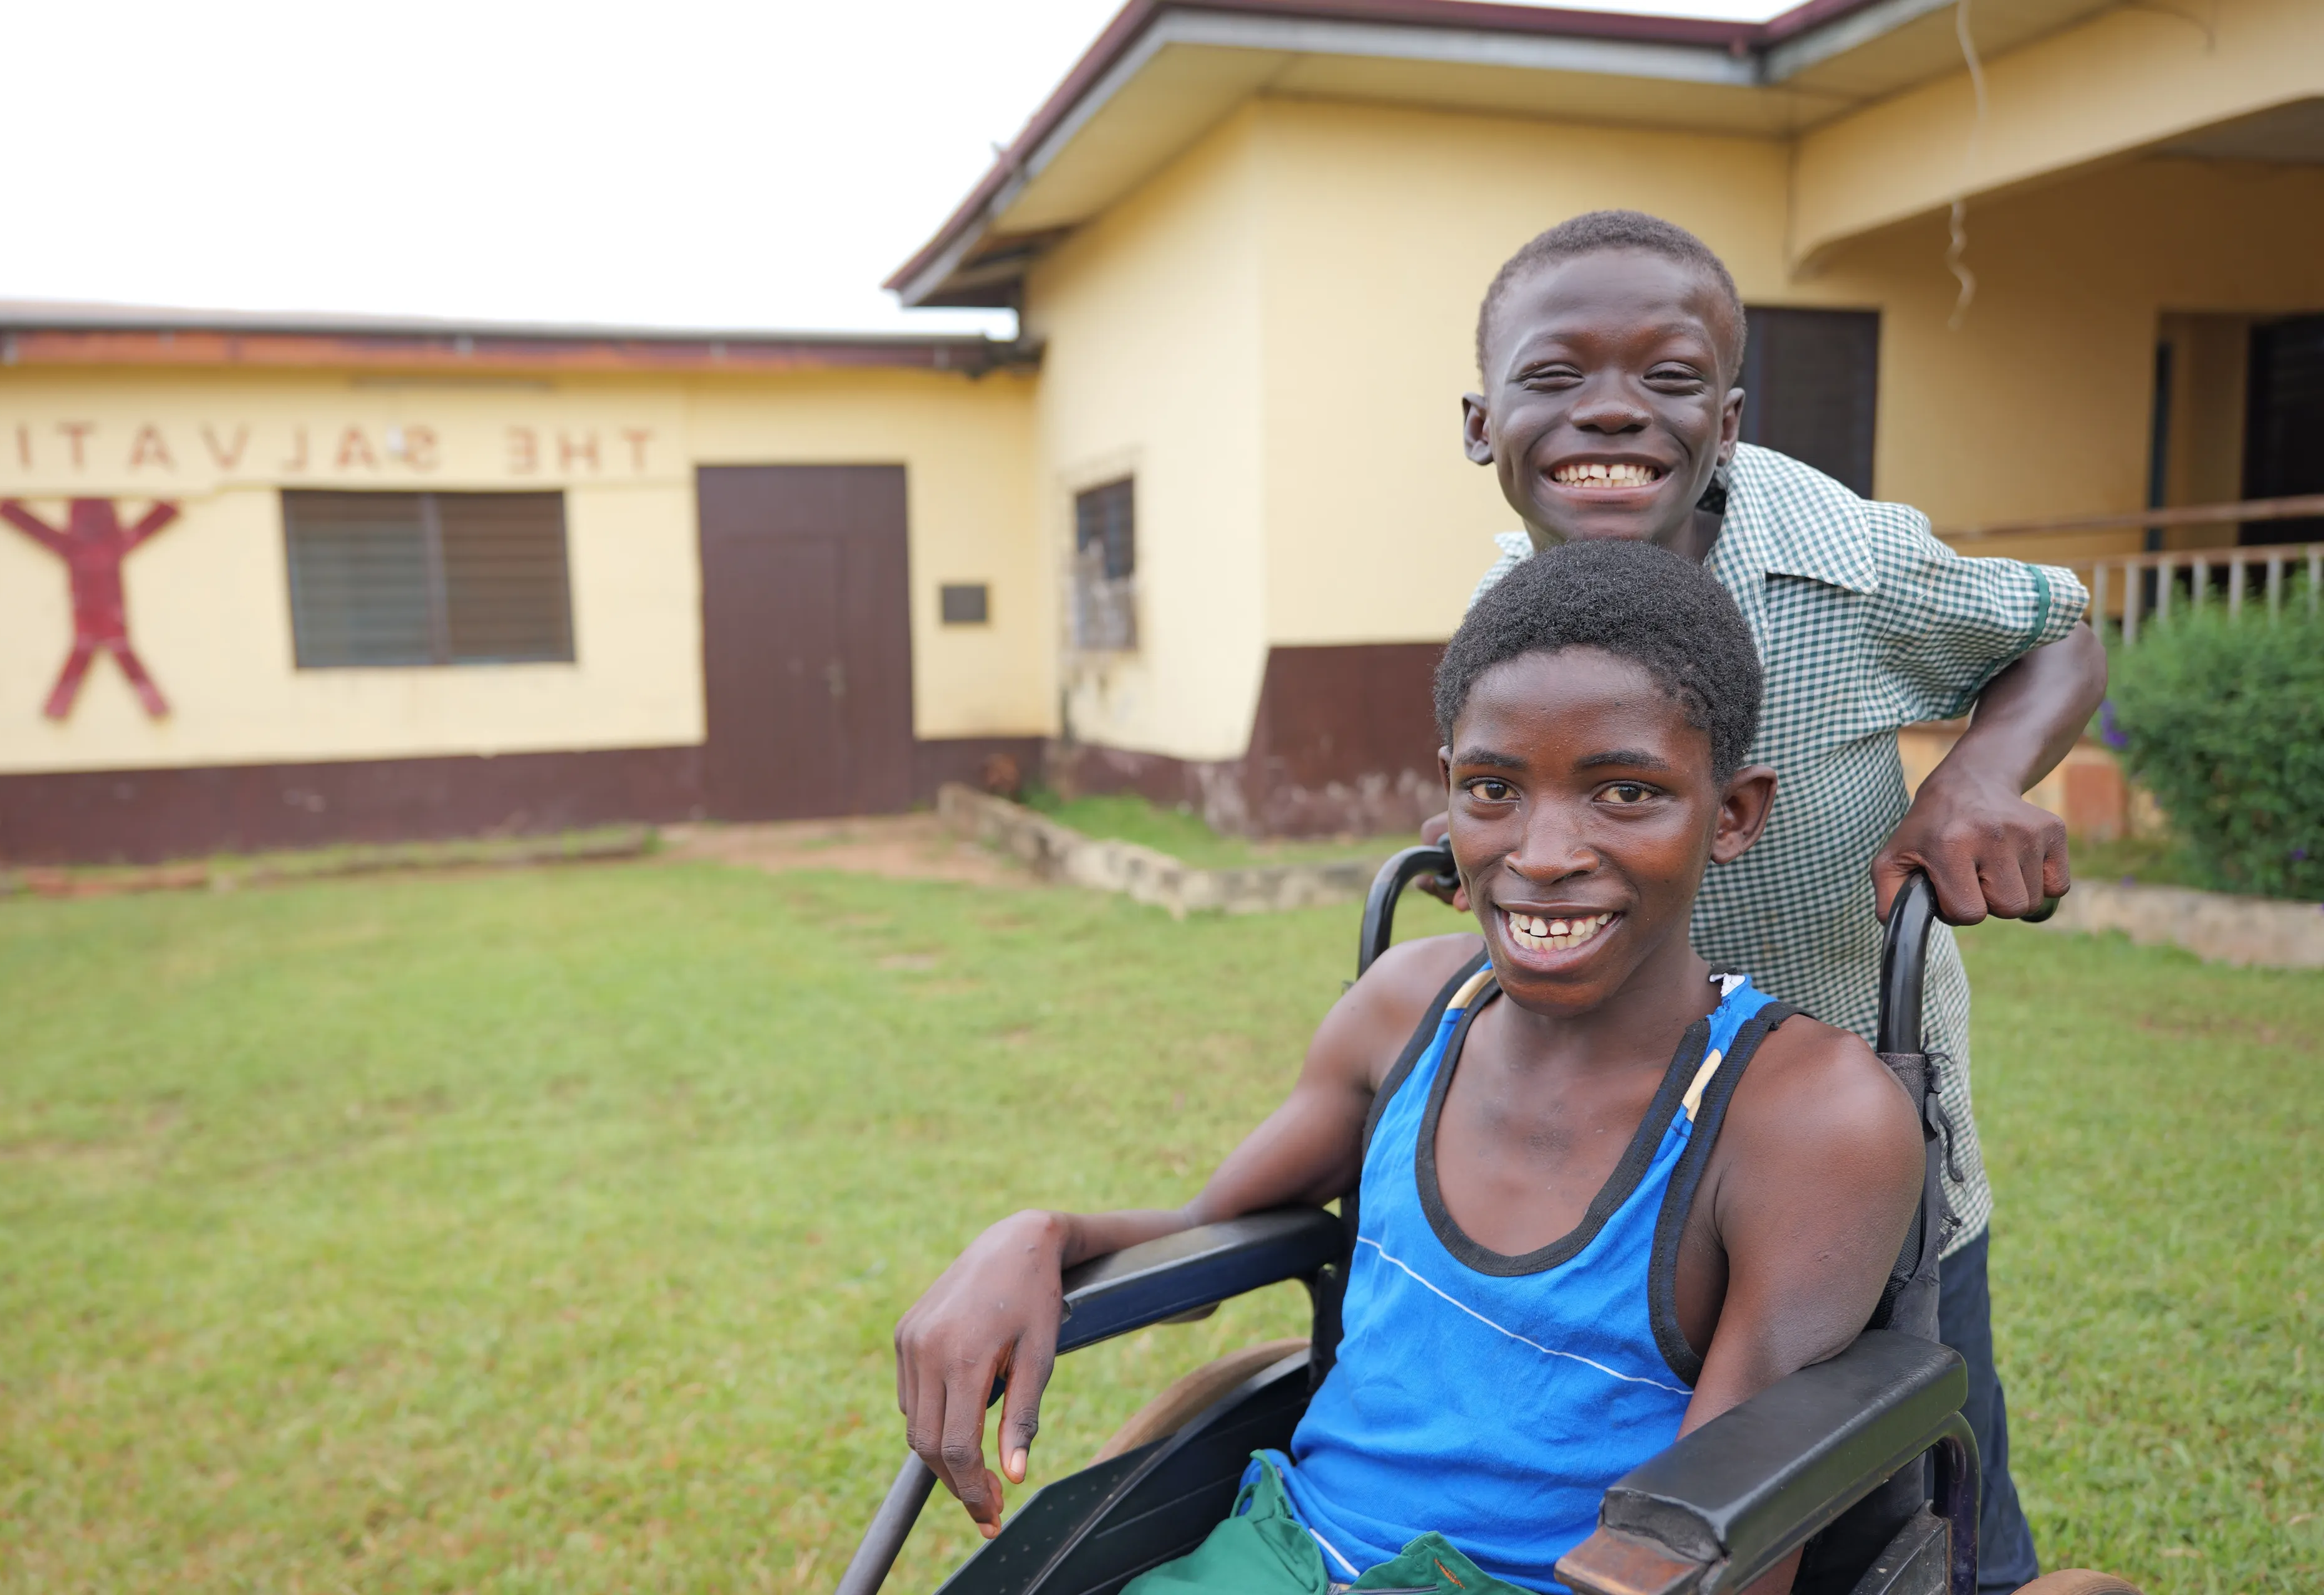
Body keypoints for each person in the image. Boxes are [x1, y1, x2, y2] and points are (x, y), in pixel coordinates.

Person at [894, 540, 1925, 1595]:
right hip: (1279, 1557)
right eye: (1494, 788)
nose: (1543, 853)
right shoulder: (1406, 1008)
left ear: (1734, 814)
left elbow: (1731, 1530)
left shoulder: (1809, 1119)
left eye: (1625, 793)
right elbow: (1212, 1237)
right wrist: (1037, 1238)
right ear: (1447, 791)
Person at [1435, 210, 2108, 1595]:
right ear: (1480, 419)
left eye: (1669, 378)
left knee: (1918, 1463)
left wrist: (1974, 778)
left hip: (1846, 1126)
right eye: (1555, 377)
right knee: (1655, 1451)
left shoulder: (1841, 563)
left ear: (1729, 419)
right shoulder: (1510, 603)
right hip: (1618, 1155)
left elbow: (2061, 629)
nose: (1613, 409)